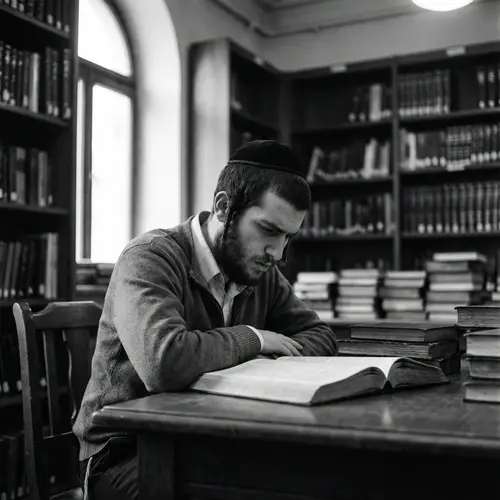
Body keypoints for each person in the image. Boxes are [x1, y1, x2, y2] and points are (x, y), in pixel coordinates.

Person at [74, 140, 338, 500]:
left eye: (288, 237)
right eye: (269, 230)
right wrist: (253, 339)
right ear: (223, 206)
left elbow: (319, 334)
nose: (278, 253)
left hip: (212, 438)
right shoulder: (150, 257)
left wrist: (263, 367)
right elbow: (163, 363)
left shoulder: (262, 272)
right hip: (126, 452)